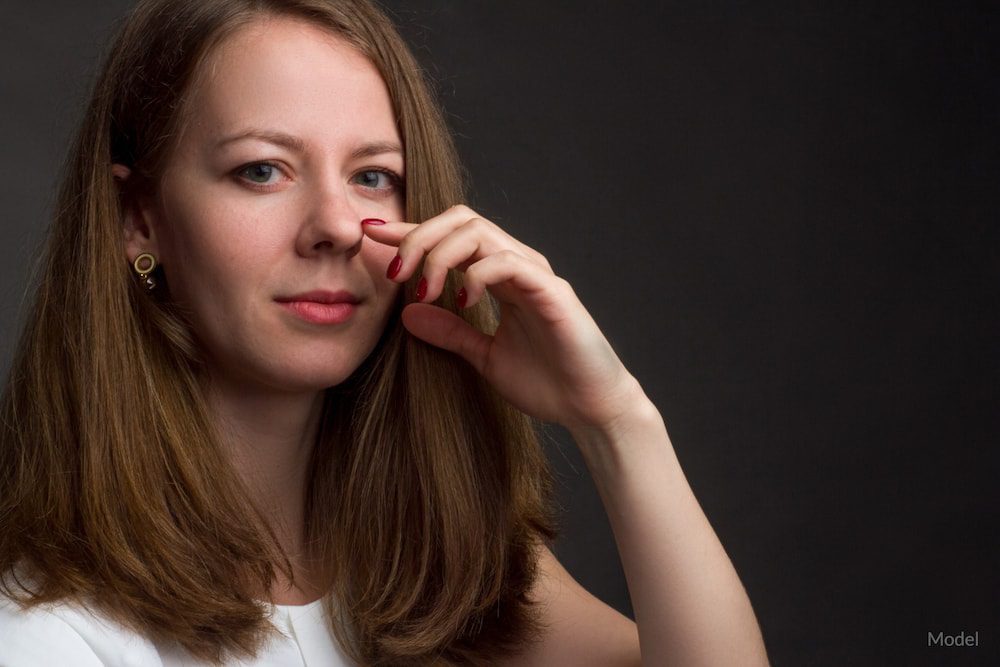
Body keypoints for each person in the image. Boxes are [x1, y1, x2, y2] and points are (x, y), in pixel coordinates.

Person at [0, 0, 769, 664]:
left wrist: (617, 420)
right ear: (139, 220)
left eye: (373, 176)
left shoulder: (435, 574)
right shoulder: (42, 631)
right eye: (262, 170)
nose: (335, 226)